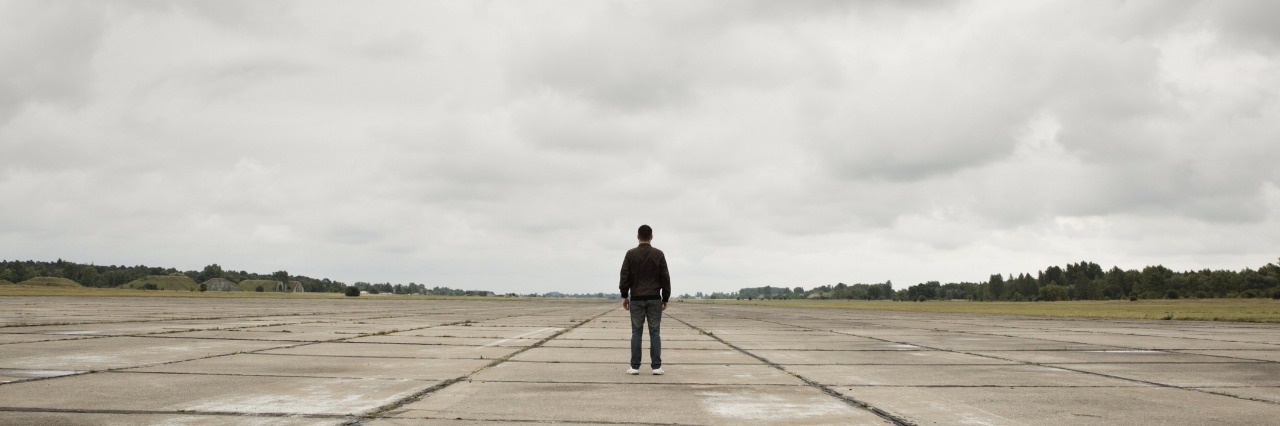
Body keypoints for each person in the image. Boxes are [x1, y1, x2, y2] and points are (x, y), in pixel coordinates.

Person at [619, 224, 670, 375]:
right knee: (655, 332)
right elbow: (665, 278)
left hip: (636, 298)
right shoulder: (659, 254)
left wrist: (624, 295)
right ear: (651, 237)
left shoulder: (630, 254)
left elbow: (624, 276)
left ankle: (635, 366)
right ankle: (656, 367)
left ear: (637, 236)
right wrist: (665, 297)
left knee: (636, 332)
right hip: (654, 298)